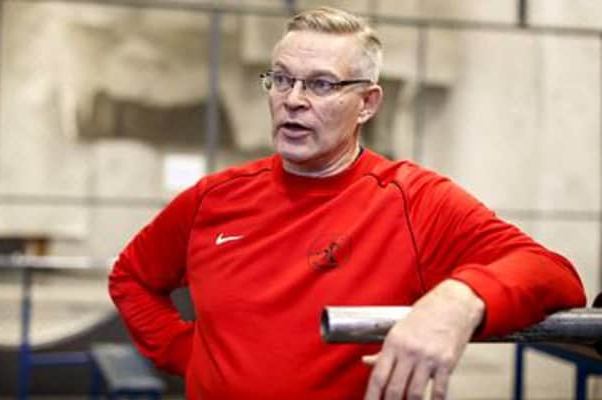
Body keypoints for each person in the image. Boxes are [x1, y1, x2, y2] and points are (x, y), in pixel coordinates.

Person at [109, 6, 586, 400]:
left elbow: (553, 275)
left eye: (321, 84)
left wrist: (458, 300)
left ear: (368, 104)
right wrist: (189, 355)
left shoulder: (413, 201)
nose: (293, 99)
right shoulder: (213, 198)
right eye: (281, 79)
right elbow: (132, 277)